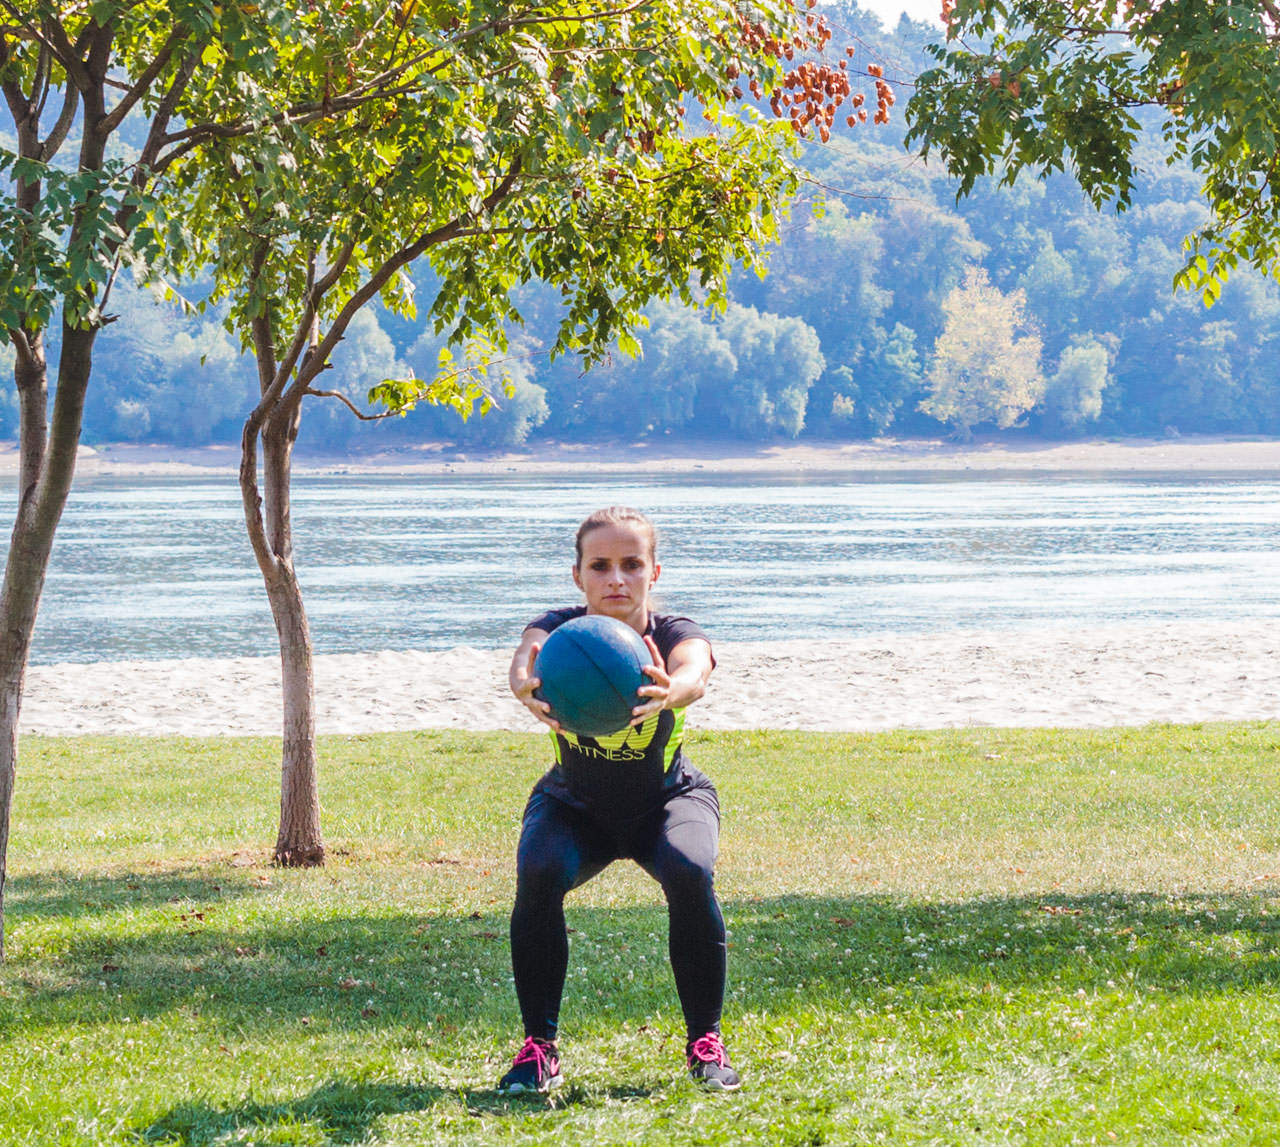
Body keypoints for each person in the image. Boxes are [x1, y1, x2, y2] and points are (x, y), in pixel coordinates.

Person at [498, 505, 740, 1094]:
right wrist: (523, 683)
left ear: (654, 572)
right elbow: (523, 661)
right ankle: (539, 1050)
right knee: (540, 869)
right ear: (577, 575)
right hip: (575, 806)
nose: (616, 579)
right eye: (600, 566)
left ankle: (705, 1044)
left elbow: (695, 670)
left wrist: (672, 690)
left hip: (668, 800)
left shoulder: (674, 632)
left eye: (632, 565)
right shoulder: (558, 633)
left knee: (689, 869)